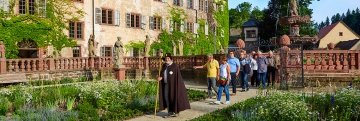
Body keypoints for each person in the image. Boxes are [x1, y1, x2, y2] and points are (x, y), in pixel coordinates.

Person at [158, 53, 191, 118]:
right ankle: (170, 112)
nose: (167, 59)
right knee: (166, 97)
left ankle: (176, 111)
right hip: (166, 85)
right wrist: (160, 77)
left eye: (168, 58)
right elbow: (162, 74)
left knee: (173, 97)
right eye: (165, 58)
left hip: (174, 86)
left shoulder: (174, 66)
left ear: (171, 59)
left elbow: (177, 77)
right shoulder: (164, 66)